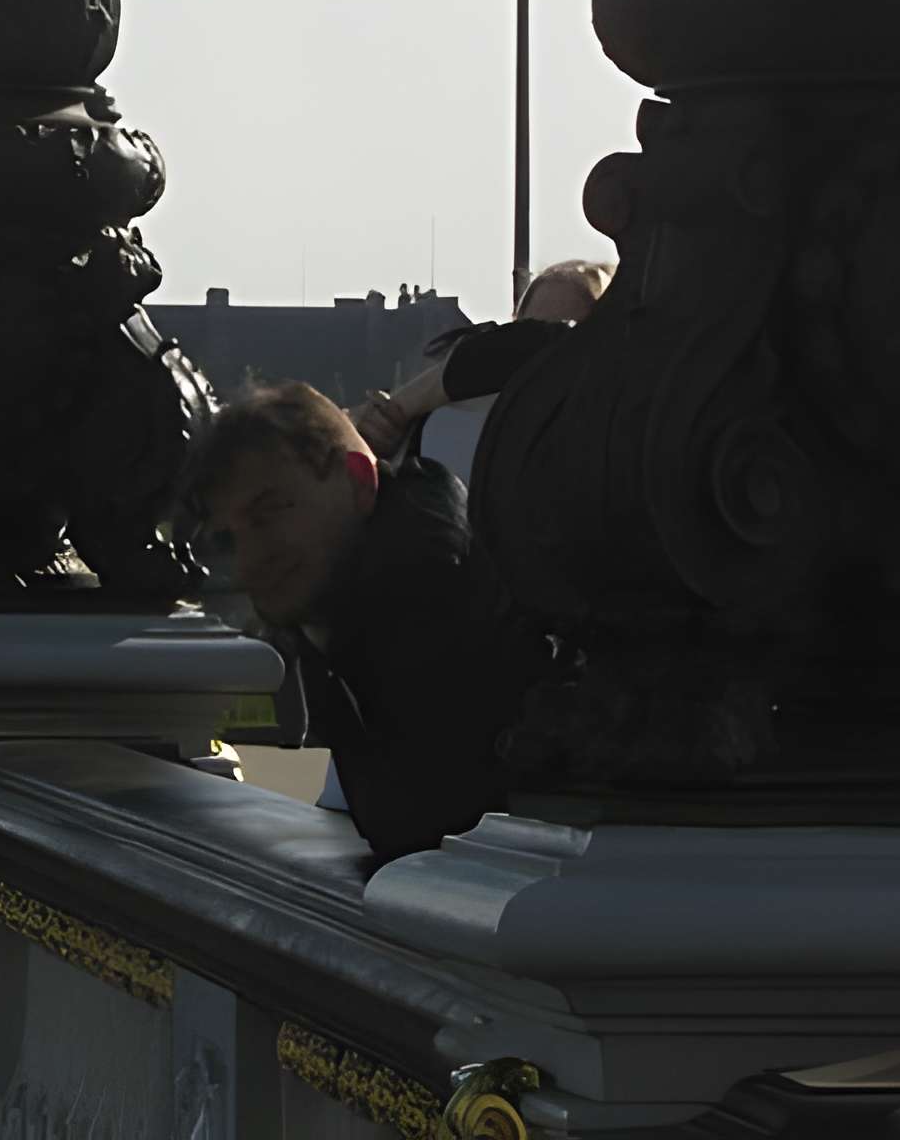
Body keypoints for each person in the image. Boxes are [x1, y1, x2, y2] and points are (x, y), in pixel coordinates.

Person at [181, 381, 549, 864]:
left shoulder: (428, 620)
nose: (248, 562)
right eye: (229, 538)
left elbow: (422, 829)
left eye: (269, 514)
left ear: (358, 480)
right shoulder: (371, 590)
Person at [356, 258, 611, 476]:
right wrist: (387, 431)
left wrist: (405, 403)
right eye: (524, 329)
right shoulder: (455, 421)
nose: (533, 349)